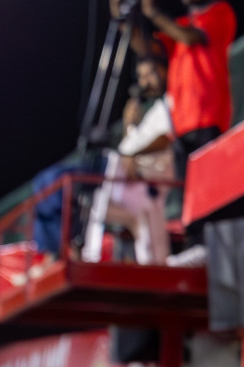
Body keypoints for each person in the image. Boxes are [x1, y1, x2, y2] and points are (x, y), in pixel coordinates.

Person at [83, 54, 175, 266]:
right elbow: (129, 147)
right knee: (87, 193)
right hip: (129, 181)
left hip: (149, 180)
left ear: (164, 71)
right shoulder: (147, 111)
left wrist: (130, 156)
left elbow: (165, 138)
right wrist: (129, 125)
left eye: (150, 74)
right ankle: (87, 256)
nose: (144, 82)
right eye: (141, 76)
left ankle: (88, 257)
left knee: (96, 171)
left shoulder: (169, 102)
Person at [125, 0, 235, 168]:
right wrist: (121, 15)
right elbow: (146, 48)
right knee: (186, 184)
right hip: (179, 126)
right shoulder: (181, 24)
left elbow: (189, 37)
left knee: (210, 177)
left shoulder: (220, 11)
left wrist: (153, 12)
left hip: (207, 118)